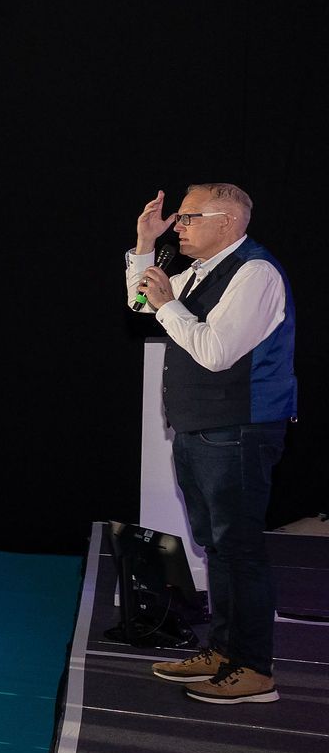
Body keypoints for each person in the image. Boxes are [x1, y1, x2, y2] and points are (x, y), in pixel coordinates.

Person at [128, 184, 296, 705]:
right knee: (218, 546)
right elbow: (139, 303)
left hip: (239, 429)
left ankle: (254, 668)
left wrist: (168, 305)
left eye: (187, 217)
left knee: (239, 549)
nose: (177, 226)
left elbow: (216, 352)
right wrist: (141, 245)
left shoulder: (255, 272)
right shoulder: (200, 271)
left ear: (226, 222)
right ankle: (224, 652)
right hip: (203, 428)